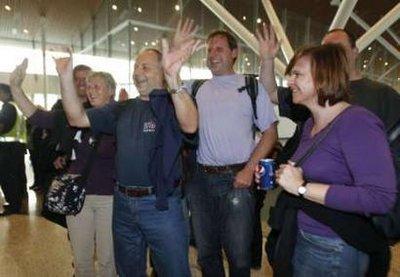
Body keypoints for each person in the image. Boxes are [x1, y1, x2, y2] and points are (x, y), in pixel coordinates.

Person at [55, 37, 200, 276]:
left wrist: (174, 79)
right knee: (128, 272)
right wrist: (64, 76)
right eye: (135, 66)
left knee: (174, 271)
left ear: (162, 72)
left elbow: (191, 125)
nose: (137, 72)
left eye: (145, 67)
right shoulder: (122, 108)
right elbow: (76, 118)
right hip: (123, 204)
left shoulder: (173, 103)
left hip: (162, 206)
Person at [265, 44, 397, 276]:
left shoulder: (357, 122)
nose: (290, 81)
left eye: (297, 74)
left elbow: (380, 197)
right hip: (304, 235)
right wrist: (284, 177)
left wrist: (303, 188)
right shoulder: (310, 124)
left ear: (323, 78)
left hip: (335, 248)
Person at [174, 22, 278, 276]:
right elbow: (171, 86)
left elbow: (270, 133)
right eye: (209, 50)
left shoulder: (251, 87)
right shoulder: (195, 88)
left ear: (235, 53)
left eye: (219, 49)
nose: (212, 54)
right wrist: (176, 51)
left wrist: (248, 169)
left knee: (239, 255)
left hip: (236, 180)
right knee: (206, 253)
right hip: (199, 180)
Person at [10, 60, 117, 276]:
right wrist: (15, 88)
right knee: (82, 259)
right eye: (88, 85)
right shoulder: (70, 116)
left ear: (111, 91)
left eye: (95, 85)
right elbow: (36, 116)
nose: (89, 88)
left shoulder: (119, 115)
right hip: (77, 197)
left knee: (108, 260)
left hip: (110, 198)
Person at [257, 25, 400, 165]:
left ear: (355, 51)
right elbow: (269, 93)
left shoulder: (383, 96)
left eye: (338, 49)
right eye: (326, 50)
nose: (331, 55)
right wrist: (267, 60)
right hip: (300, 178)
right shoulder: (313, 91)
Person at [0, 83, 27, 216]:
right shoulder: (17, 107)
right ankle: (17, 201)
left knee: (7, 177)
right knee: (16, 176)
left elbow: (2, 126)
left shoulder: (8, 107)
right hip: (17, 147)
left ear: (5, 93)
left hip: (8, 149)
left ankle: (13, 205)